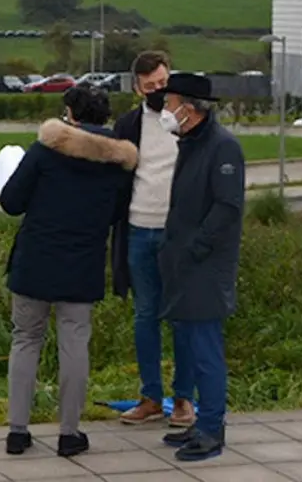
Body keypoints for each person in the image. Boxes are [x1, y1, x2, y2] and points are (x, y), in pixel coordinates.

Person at [0, 85, 138, 459]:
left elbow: (11, 202)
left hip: (35, 261)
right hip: (83, 263)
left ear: (70, 114)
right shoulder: (119, 163)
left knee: (25, 340)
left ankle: (17, 431)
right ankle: (69, 434)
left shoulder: (46, 151)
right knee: (74, 344)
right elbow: (117, 213)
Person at [154, 73, 245, 463]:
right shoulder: (190, 143)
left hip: (205, 266)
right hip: (183, 263)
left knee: (206, 350)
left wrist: (195, 248)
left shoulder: (223, 148)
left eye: (169, 102)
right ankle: (203, 421)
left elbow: (227, 208)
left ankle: (212, 428)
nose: (165, 110)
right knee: (189, 346)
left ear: (189, 108)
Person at [108, 51, 196, 428]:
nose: (158, 91)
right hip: (138, 229)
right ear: (137, 88)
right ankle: (149, 396)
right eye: (150, 87)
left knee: (182, 317)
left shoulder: (189, 121)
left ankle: (183, 400)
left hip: (178, 232)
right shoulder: (127, 124)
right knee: (146, 315)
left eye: (163, 83)